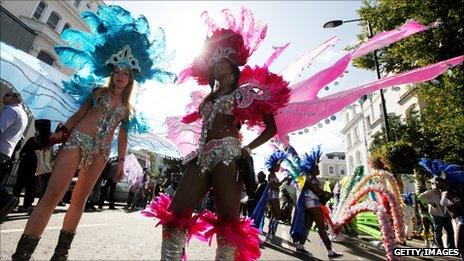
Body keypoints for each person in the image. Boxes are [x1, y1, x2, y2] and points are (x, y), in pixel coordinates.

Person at [11, 5, 175, 260]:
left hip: (100, 153)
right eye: (117, 71)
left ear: (131, 78)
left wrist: (120, 161)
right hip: (77, 142)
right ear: (112, 73)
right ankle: (22, 254)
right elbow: (77, 116)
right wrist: (61, 132)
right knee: (53, 194)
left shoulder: (128, 109)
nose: (121, 76)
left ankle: (60, 253)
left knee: (80, 199)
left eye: (126, 73)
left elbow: (123, 136)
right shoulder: (98, 92)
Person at [143, 8, 290, 260]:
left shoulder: (243, 93)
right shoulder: (209, 97)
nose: (216, 64)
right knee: (175, 215)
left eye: (222, 62)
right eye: (214, 62)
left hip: (228, 155)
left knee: (228, 224)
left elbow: (272, 127)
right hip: (202, 156)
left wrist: (248, 148)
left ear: (233, 68)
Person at [291, 147, 342, 258]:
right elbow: (317, 191)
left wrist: (325, 194)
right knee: (321, 228)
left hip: (309, 205)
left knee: (308, 226)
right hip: (312, 204)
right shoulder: (309, 178)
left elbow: (316, 191)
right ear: (312, 168)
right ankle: (331, 252)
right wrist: (327, 194)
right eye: (317, 167)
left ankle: (300, 247)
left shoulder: (310, 177)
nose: (318, 168)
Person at [0, 91, 28, 223]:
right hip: (7, 152)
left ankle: (7, 199)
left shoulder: (11, 110)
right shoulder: (23, 114)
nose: (4, 96)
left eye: (7, 95)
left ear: (15, 98)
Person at [418, 181, 455, 248]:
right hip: (436, 214)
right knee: (438, 232)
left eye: (443, 184)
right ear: (436, 184)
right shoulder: (430, 192)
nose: (442, 185)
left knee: (450, 231)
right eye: (440, 184)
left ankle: (451, 247)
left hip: (446, 214)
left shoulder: (445, 191)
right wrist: (430, 202)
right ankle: (439, 247)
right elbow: (420, 197)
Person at [263, 150, 288, 243]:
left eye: (279, 166)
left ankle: (271, 234)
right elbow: (274, 186)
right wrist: (283, 181)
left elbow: (276, 185)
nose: (279, 167)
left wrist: (284, 180)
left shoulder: (274, 175)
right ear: (273, 166)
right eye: (277, 166)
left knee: (275, 215)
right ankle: (271, 234)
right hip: (273, 195)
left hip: (275, 195)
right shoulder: (270, 175)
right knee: (277, 214)